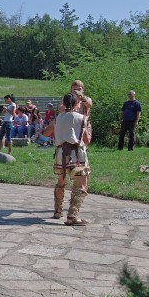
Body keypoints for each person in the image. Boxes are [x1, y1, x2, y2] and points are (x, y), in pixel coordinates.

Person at [52, 93, 91, 226]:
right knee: (81, 185)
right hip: (76, 154)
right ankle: (72, 216)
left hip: (60, 153)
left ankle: (58, 210)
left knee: (61, 181)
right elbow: (86, 140)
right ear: (76, 104)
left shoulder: (58, 118)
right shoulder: (81, 118)